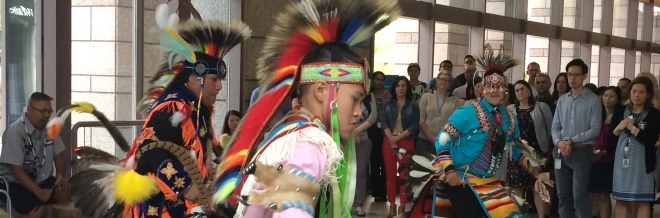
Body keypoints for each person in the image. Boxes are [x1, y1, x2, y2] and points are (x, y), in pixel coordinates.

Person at [59, 4, 252, 216]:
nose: (219, 87)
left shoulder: (199, 110)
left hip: (177, 202)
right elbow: (150, 150)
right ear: (193, 78)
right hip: (155, 202)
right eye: (214, 79)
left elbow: (204, 149)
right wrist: (185, 185)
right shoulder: (173, 107)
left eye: (220, 80)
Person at [212, 1, 401, 217]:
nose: (359, 112)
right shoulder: (309, 143)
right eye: (355, 99)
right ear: (322, 90)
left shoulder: (293, 130)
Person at [406, 46, 543, 217]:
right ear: (482, 88)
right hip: (461, 179)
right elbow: (442, 139)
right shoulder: (469, 111)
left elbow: (514, 146)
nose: (494, 91)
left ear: (505, 89)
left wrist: (529, 163)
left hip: (488, 182)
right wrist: (449, 171)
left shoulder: (508, 116)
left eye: (499, 86)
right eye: (490, 86)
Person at [0, 92, 71, 218]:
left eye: (49, 112)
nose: (47, 116)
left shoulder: (49, 128)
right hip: (14, 182)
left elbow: (59, 153)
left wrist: (61, 176)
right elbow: (16, 170)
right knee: (38, 212)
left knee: (64, 193)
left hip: (42, 179)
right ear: (29, 110)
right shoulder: (15, 132)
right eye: (43, 111)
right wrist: (39, 192)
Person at [551, 59, 602, 218]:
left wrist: (571, 140)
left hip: (581, 152)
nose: (571, 78)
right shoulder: (562, 100)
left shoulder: (593, 99)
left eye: (576, 75)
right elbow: (555, 127)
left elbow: (595, 129)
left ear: (584, 76)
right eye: (569, 74)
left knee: (579, 195)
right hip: (560, 151)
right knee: (562, 195)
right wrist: (559, 142)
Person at [610, 77, 660, 218]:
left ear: (648, 94)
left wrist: (632, 128)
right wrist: (619, 127)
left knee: (643, 201)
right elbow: (610, 138)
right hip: (622, 163)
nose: (636, 95)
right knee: (621, 200)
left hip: (643, 164)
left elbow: (650, 140)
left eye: (641, 92)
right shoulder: (620, 110)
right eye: (634, 91)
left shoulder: (654, 114)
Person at [506, 80, 553, 218]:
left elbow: (550, 129)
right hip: (517, 154)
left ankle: (541, 216)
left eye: (522, 89)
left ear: (529, 91)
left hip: (537, 153)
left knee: (538, 187)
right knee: (517, 188)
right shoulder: (511, 109)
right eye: (517, 90)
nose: (520, 92)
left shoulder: (541, 107)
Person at [381, 76, 420, 217]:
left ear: (407, 88)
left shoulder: (414, 105)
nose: (400, 88)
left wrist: (397, 138)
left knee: (405, 175)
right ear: (394, 88)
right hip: (389, 141)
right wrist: (392, 139)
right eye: (398, 86)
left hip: (405, 141)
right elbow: (384, 122)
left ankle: (402, 205)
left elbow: (414, 126)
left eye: (403, 86)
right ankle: (392, 205)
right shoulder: (387, 104)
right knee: (390, 175)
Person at [589, 86, 621, 218]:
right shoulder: (597, 113)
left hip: (608, 159)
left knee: (603, 194)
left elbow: (617, 140)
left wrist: (605, 151)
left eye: (611, 96)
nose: (607, 99)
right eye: (605, 95)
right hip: (592, 157)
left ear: (618, 100)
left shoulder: (619, 116)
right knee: (589, 193)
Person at [351, 75, 379, 217]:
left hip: (365, 139)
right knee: (346, 171)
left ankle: (358, 204)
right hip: (346, 137)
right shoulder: (347, 93)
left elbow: (373, 117)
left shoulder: (370, 97)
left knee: (361, 171)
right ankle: (343, 203)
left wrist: (357, 131)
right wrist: (351, 132)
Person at [418, 69, 464, 155]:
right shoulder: (427, 96)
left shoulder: (455, 100)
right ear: (437, 80)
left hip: (445, 141)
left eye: (447, 80)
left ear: (450, 84)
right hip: (425, 140)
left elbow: (457, 122)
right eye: (441, 79)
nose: (443, 81)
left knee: (442, 167)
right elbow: (421, 120)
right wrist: (431, 137)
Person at [365, 71, 389, 203]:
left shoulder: (388, 95)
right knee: (374, 163)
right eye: (377, 79)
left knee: (384, 164)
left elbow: (388, 114)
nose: (379, 82)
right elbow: (369, 115)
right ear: (372, 81)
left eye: (381, 79)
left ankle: (384, 192)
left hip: (385, 133)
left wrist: (377, 115)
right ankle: (375, 192)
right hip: (371, 133)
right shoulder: (368, 95)